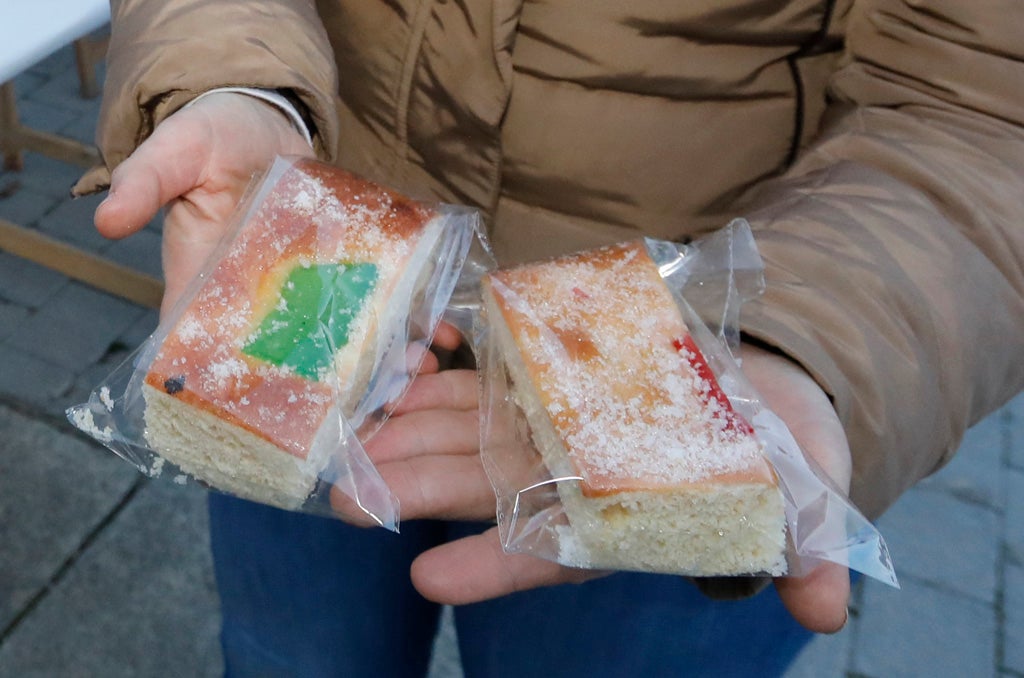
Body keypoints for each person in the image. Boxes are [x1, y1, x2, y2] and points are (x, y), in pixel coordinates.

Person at [76, 1, 1024, 675]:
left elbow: (982, 107)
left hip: (678, 338)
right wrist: (238, 78)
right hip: (322, 276)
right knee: (291, 656)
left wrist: (809, 337)